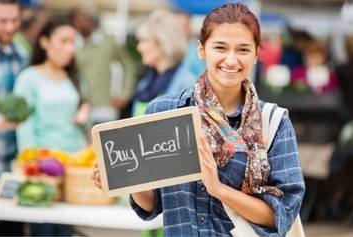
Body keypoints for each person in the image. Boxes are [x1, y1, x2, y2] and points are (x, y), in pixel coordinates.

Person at [93, 3, 305, 236]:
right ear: (201, 49)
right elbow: (153, 205)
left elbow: (282, 214)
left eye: (243, 50)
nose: (231, 60)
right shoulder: (164, 111)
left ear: (256, 55)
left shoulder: (273, 122)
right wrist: (125, 178)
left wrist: (219, 189)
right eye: (220, 48)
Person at [13, 17, 89, 236]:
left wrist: (84, 115)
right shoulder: (28, 78)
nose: (70, 48)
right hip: (44, 170)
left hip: (74, 168)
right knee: (43, 230)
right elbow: (24, 126)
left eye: (73, 42)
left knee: (66, 231)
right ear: (45, 42)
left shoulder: (75, 78)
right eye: (63, 41)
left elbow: (82, 123)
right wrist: (33, 167)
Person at [71, 5, 136, 124]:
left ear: (92, 19)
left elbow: (128, 65)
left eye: (85, 18)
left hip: (106, 106)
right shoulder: (72, 44)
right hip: (81, 106)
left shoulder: (108, 41)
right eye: (78, 19)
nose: (82, 23)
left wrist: (125, 94)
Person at [0, 0, 28, 235]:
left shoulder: (22, 54)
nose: (9, 27)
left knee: (13, 230)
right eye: (2, 21)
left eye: (14, 21)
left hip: (14, 165)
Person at [132, 9, 197, 117]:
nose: (139, 48)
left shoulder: (186, 83)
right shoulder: (145, 83)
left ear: (163, 42)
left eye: (144, 41)